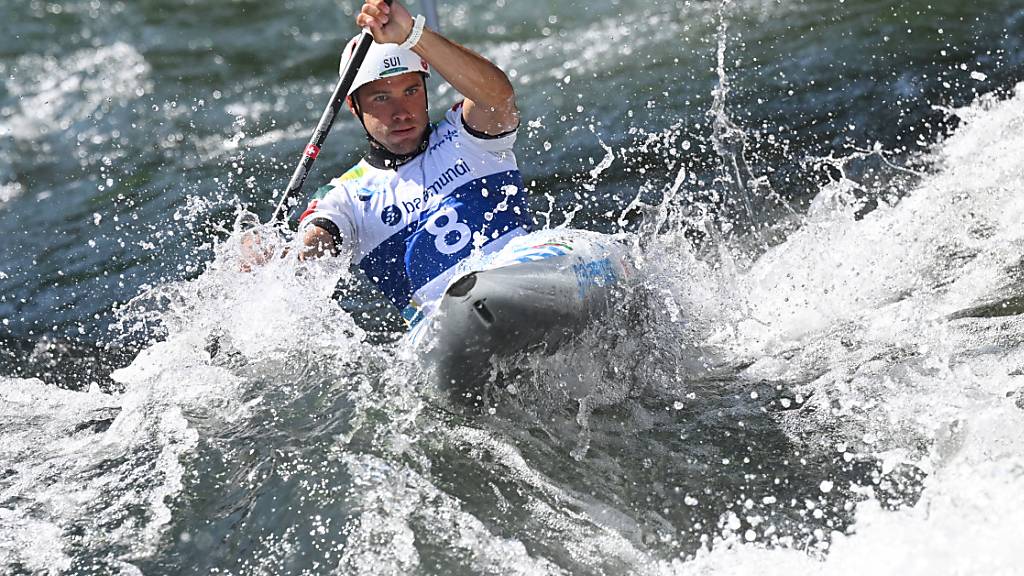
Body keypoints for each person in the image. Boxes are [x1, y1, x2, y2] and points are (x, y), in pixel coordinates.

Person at [288, 0, 532, 324]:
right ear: (353, 106)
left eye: (411, 90)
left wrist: (412, 34)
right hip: (451, 329)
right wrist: (279, 261)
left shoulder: (466, 138)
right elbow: (315, 243)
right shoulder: (346, 198)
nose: (401, 112)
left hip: (528, 285)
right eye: (381, 98)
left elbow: (498, 98)